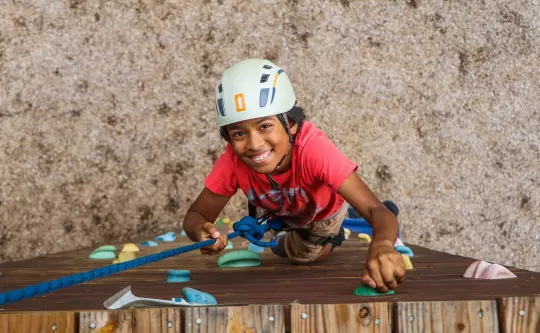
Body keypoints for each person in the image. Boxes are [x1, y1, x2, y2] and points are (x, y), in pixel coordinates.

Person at [182, 58, 406, 292]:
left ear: (290, 124)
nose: (254, 144)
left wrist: (381, 245)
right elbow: (196, 214)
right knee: (283, 240)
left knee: (299, 255)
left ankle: (340, 225)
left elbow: (377, 211)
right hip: (283, 211)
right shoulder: (232, 161)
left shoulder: (314, 150)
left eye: (265, 126)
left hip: (321, 214)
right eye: (239, 133)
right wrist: (200, 230)